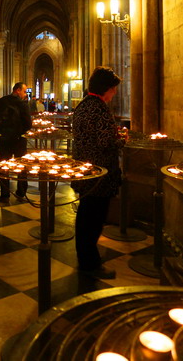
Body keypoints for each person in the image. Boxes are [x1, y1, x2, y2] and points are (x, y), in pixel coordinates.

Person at [71, 67, 126, 279]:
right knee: (93, 218)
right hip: (99, 174)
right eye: (114, 90)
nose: (114, 95)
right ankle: (90, 262)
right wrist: (122, 140)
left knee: (86, 214)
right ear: (107, 89)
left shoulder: (83, 105)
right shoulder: (99, 108)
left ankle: (85, 256)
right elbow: (106, 142)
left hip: (84, 170)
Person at [0, 82, 33, 202]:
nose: (25, 94)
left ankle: (5, 194)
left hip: (4, 139)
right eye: (24, 91)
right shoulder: (23, 104)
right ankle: (21, 192)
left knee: (4, 165)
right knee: (21, 165)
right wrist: (20, 131)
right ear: (17, 90)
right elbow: (28, 124)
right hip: (19, 139)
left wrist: (1, 133)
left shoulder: (0, 102)